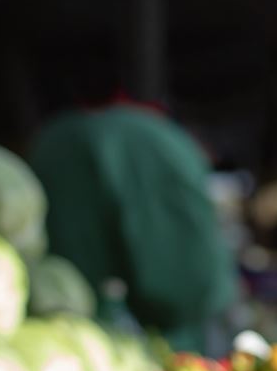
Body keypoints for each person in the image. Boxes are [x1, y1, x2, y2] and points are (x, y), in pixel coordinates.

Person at [29, 100, 238, 354]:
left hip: (76, 329)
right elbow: (187, 281)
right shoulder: (159, 140)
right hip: (163, 328)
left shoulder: (56, 140)